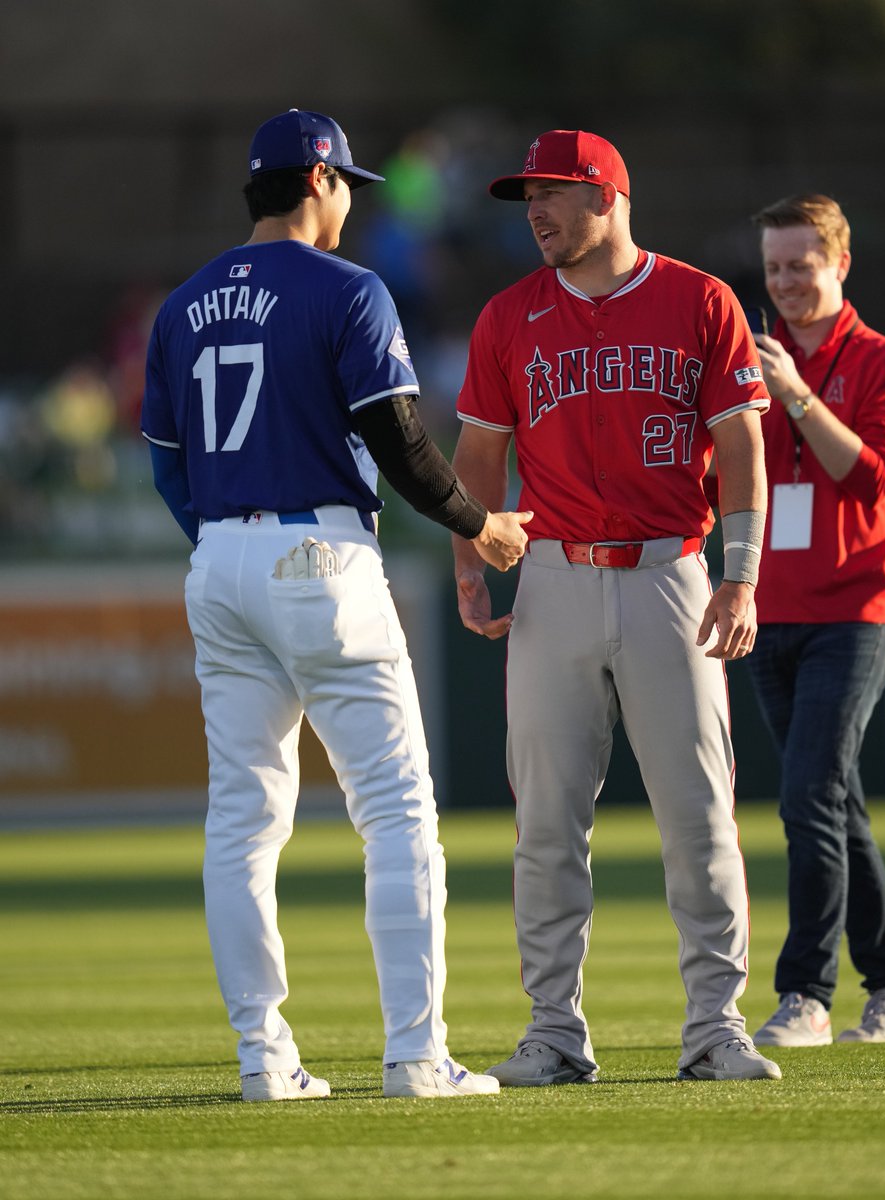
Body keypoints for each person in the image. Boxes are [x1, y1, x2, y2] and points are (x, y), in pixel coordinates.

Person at [141, 108, 533, 1102]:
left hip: (220, 559)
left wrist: (224, 538)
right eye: (346, 181)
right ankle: (415, 1056)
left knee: (242, 822)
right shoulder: (347, 289)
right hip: (319, 557)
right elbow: (402, 442)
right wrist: (478, 524)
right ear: (317, 181)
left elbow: (165, 463)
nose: (353, 198)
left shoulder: (181, 304)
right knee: (397, 811)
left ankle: (263, 1060)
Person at [450, 128, 781, 1084]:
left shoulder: (698, 298)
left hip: (671, 572)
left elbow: (744, 445)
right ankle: (554, 1030)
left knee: (698, 815)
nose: (536, 213)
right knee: (547, 822)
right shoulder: (510, 315)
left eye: (553, 193)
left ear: (609, 197)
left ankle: (716, 1028)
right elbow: (478, 459)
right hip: (551, 575)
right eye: (527, 198)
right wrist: (472, 561)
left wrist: (743, 571)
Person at [742, 194, 885, 1047]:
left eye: (800, 265)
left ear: (841, 264)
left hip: (856, 609)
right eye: (773, 267)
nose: (783, 282)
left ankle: (806, 993)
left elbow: (874, 483)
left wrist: (794, 396)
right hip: (769, 607)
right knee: (834, 802)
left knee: (809, 793)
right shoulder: (751, 357)